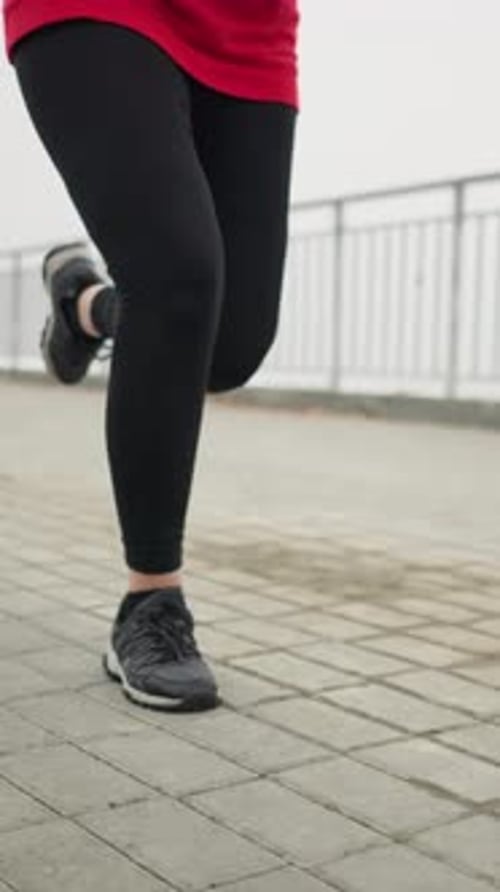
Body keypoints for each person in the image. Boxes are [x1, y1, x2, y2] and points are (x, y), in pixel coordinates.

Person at [2, 1, 299, 712]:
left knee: (227, 348)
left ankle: (83, 304)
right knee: (176, 277)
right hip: (99, 12)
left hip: (248, 26)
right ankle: (152, 601)